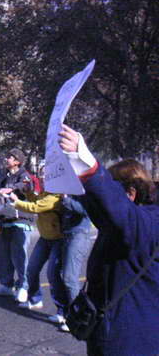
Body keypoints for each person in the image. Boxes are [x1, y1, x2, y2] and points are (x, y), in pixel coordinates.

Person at [59, 124, 159, 354]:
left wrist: (88, 166)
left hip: (129, 341)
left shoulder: (146, 225)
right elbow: (100, 207)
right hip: (113, 332)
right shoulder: (126, 223)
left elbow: (116, 209)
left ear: (130, 193)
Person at [8, 165, 69, 332]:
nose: (42, 178)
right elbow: (35, 200)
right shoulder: (45, 193)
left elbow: (35, 207)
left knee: (53, 276)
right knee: (31, 269)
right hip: (45, 238)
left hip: (58, 240)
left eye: (46, 175)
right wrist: (28, 193)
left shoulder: (55, 197)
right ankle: (35, 300)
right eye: (41, 175)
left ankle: (63, 312)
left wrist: (16, 201)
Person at [0, 148, 35, 303]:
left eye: (10, 157)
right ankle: (6, 285)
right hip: (5, 222)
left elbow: (27, 186)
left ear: (17, 161)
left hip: (20, 222)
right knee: (3, 255)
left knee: (19, 256)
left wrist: (12, 188)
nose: (6, 159)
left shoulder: (24, 176)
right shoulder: (5, 177)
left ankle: (24, 286)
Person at [59, 195, 91, 313]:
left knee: (69, 277)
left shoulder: (82, 190)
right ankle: (67, 313)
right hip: (67, 235)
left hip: (78, 236)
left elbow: (85, 210)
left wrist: (66, 199)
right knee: (62, 275)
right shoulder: (67, 189)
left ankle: (78, 315)